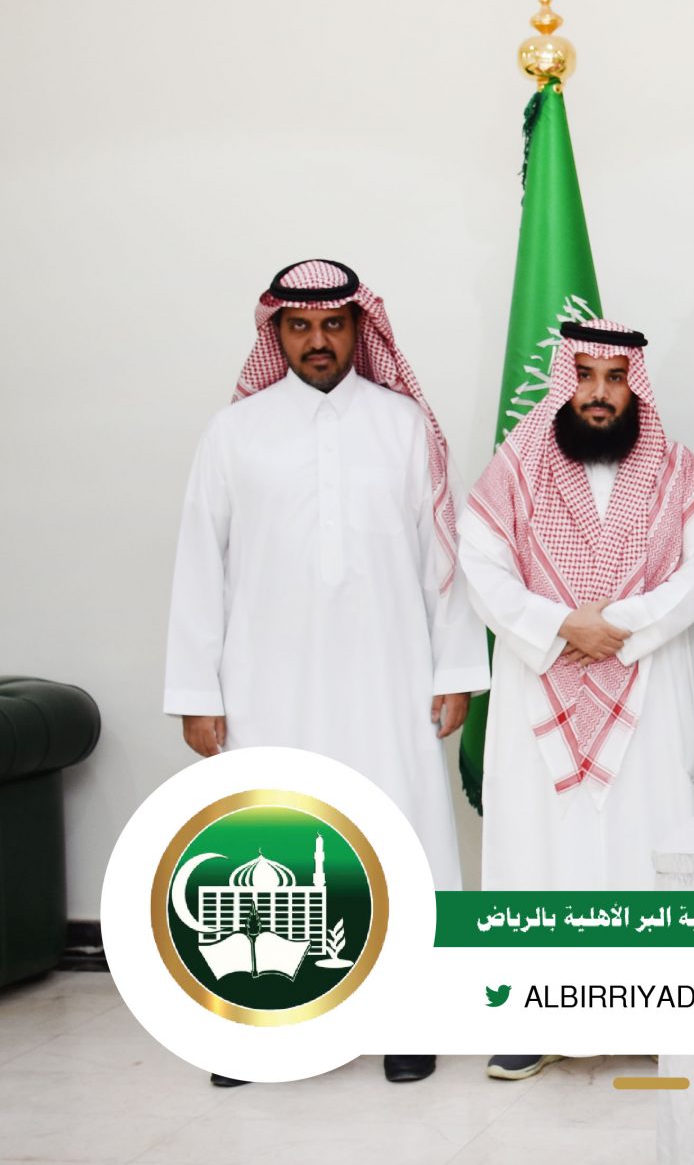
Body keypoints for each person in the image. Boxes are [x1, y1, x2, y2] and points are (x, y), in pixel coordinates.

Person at [164, 258, 483, 1086]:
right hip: (266, 681)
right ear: (276, 332)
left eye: (333, 325)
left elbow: (443, 559)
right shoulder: (234, 432)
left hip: (390, 675)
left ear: (357, 328)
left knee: (400, 832)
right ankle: (261, 1019)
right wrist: (197, 692)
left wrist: (453, 669)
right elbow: (200, 564)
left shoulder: (405, 426)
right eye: (300, 327)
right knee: (269, 843)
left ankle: (408, 1019)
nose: (317, 341)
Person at [460, 319, 694, 1080]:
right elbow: (480, 564)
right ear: (563, 383)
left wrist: (623, 625)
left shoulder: (677, 471)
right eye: (584, 376)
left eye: (614, 377)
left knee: (645, 837)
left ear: (635, 385)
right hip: (537, 682)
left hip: (647, 687)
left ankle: (657, 1016)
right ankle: (533, 1021)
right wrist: (559, 625)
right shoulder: (516, 467)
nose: (599, 393)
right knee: (537, 849)